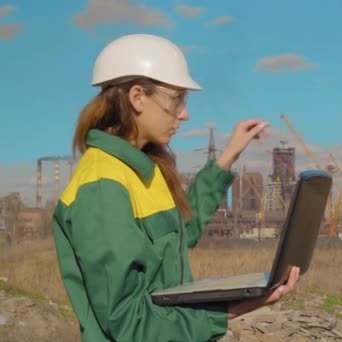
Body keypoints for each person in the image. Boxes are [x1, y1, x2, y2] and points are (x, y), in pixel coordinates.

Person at [52, 33, 299, 342]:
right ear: (138, 97)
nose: (185, 113)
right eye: (176, 99)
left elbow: (181, 233)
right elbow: (128, 321)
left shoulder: (144, 169)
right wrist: (227, 312)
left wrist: (228, 155)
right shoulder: (103, 186)